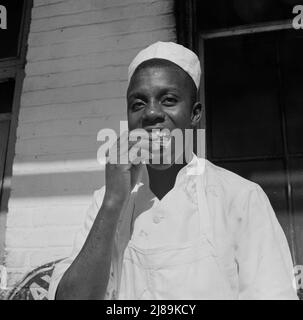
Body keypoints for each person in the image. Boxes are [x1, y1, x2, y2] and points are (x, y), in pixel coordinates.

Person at [48, 41, 298, 300]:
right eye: (138, 103)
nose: (152, 113)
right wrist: (113, 202)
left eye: (168, 100)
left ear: (195, 114)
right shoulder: (106, 200)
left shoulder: (240, 197)